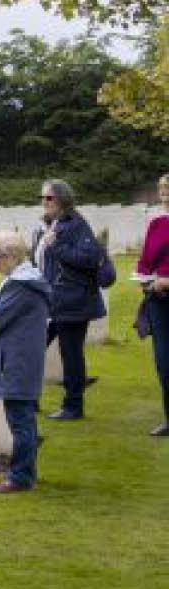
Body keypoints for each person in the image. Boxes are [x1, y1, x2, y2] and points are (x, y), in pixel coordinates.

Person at [0, 231, 52, 493]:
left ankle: (20, 477)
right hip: (22, 356)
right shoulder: (23, 281)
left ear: (12, 257)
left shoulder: (21, 286)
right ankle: (26, 471)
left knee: (20, 419)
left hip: (18, 360)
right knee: (22, 417)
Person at [31, 179, 106, 420]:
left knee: (71, 353)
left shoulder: (76, 225)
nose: (44, 202)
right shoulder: (47, 226)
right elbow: (40, 261)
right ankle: (28, 400)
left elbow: (88, 259)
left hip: (73, 300)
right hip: (50, 300)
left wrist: (57, 245)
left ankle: (73, 406)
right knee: (32, 347)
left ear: (62, 199)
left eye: (49, 198)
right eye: (42, 197)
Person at [137, 174, 169, 437]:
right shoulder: (156, 223)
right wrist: (143, 278)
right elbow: (145, 258)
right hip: (159, 302)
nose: (165, 193)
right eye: (162, 189)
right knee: (164, 363)